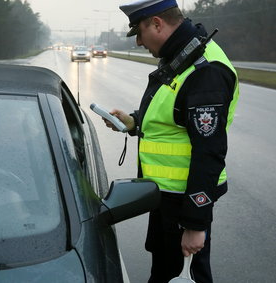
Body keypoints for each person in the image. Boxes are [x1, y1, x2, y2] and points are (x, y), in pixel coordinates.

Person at [103, 0, 239, 282]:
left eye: (139, 32)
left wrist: (195, 224)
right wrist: (134, 122)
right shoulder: (182, 56)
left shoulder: (205, 70)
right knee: (165, 272)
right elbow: (174, 116)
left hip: (184, 203)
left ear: (157, 23)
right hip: (166, 197)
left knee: (185, 276)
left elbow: (209, 151)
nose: (139, 42)